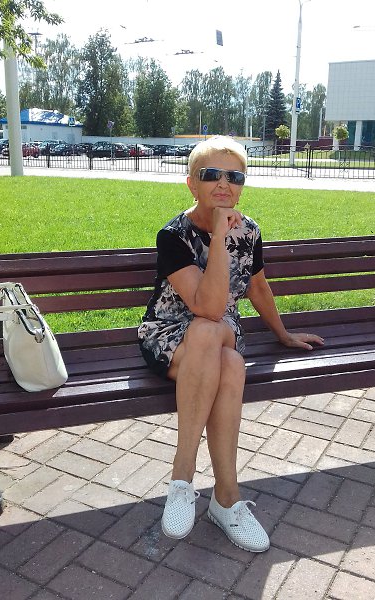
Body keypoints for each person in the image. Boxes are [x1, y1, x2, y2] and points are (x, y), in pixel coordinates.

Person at [138, 136, 324, 552]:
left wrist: (283, 334)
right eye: (212, 175)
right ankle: (214, 491)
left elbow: (257, 287)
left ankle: (194, 487)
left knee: (216, 337)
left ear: (242, 185)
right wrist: (220, 237)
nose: (224, 183)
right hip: (169, 335)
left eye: (234, 177)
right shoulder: (173, 235)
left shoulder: (250, 230)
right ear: (192, 183)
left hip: (220, 329)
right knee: (229, 359)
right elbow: (206, 306)